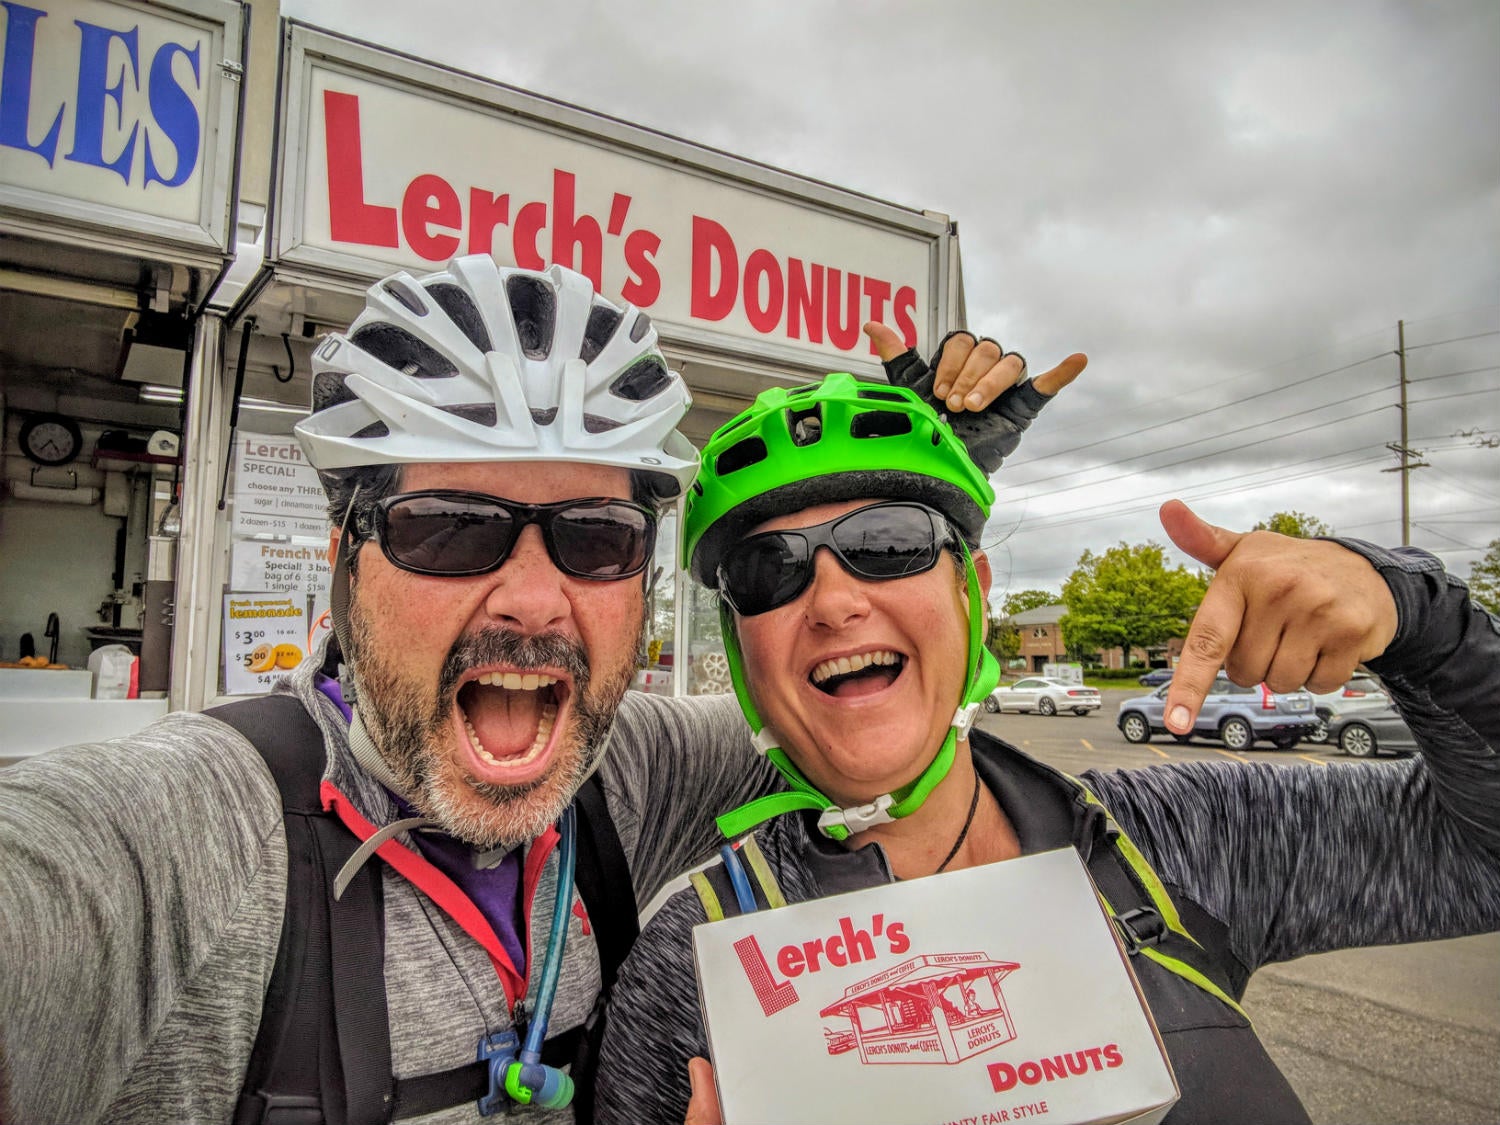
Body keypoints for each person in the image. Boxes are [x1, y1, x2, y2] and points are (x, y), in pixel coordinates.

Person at [0, 256, 1081, 1125]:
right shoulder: (187, 839)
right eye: (451, 529)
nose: (532, 600)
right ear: (346, 557)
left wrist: (898, 501)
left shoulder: (631, 777)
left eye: (594, 539)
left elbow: (850, 715)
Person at [590, 372, 1500, 1125]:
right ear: (742, 646)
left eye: (887, 544)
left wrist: (1424, 619)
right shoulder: (694, 962)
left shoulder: (1171, 835)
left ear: (973, 595)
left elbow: (1482, 857)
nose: (831, 602)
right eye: (768, 570)